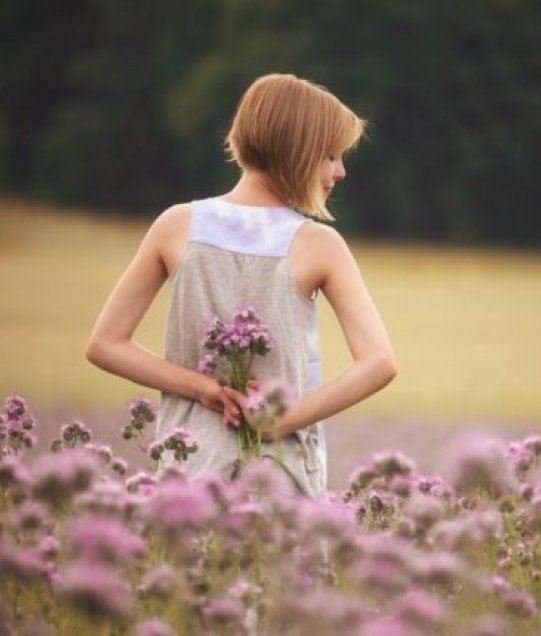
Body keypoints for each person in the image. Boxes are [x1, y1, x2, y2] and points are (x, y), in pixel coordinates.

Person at [86, 73, 397, 499]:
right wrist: (285, 420)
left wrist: (205, 390)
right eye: (330, 155)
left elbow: (105, 343)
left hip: (188, 476)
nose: (340, 171)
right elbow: (379, 362)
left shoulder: (176, 225)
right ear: (298, 151)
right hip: (278, 479)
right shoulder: (319, 245)